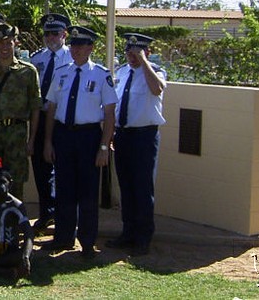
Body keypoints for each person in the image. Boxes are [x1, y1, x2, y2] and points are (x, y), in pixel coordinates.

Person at [43, 26, 118, 258]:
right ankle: (63, 238)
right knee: (64, 189)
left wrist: (104, 147)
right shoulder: (61, 72)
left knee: (87, 192)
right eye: (73, 45)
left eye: (80, 45)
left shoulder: (101, 74)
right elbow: (52, 108)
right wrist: (47, 142)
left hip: (88, 137)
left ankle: (87, 242)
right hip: (63, 135)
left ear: (90, 48)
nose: (75, 49)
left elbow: (109, 114)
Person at [106, 33, 167, 257]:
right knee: (127, 187)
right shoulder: (121, 72)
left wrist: (144, 62)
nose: (132, 57)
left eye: (137, 52)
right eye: (129, 52)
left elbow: (157, 89)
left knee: (143, 188)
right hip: (123, 136)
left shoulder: (155, 72)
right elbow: (115, 104)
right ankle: (128, 233)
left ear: (146, 52)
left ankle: (143, 238)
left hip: (144, 137)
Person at [0, 23, 40, 198]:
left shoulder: (28, 72)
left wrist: (31, 139)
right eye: (1, 43)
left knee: (16, 179)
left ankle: (13, 221)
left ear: (15, 43)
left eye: (8, 43)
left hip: (16, 132)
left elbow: (35, 107)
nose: (5, 47)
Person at [28, 13, 72, 232]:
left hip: (63, 120)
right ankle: (46, 213)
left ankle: (63, 216)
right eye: (47, 33)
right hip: (41, 117)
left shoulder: (72, 59)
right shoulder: (37, 59)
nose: (50, 37)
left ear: (64, 34)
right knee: (40, 168)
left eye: (55, 33)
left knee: (63, 169)